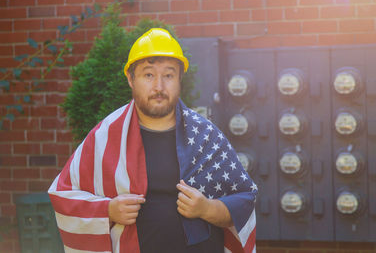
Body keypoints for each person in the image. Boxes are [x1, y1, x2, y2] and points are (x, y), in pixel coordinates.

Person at [48, 28, 257, 253]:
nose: (159, 86)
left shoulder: (206, 136)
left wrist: (207, 208)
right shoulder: (105, 136)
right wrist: (107, 210)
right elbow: (63, 194)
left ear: (179, 80)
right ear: (131, 79)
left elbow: (244, 199)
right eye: (148, 75)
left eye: (168, 75)